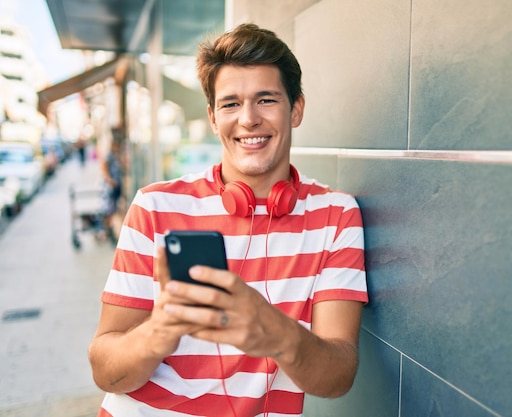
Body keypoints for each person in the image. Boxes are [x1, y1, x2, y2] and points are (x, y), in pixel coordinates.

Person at [88, 23, 368, 417]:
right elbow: (104, 370)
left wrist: (276, 333)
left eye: (266, 99)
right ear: (212, 117)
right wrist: (160, 332)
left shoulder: (336, 215)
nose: (248, 119)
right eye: (230, 104)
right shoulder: (154, 206)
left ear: (297, 108)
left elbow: (338, 376)